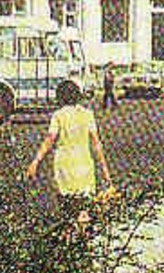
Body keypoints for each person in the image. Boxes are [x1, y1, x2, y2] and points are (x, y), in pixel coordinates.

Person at [27, 82, 113, 226]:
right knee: (84, 209)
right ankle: (83, 239)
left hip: (64, 167)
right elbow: (96, 145)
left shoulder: (58, 116)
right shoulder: (87, 115)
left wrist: (35, 162)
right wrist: (106, 173)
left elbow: (49, 140)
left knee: (68, 208)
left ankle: (70, 242)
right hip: (85, 165)